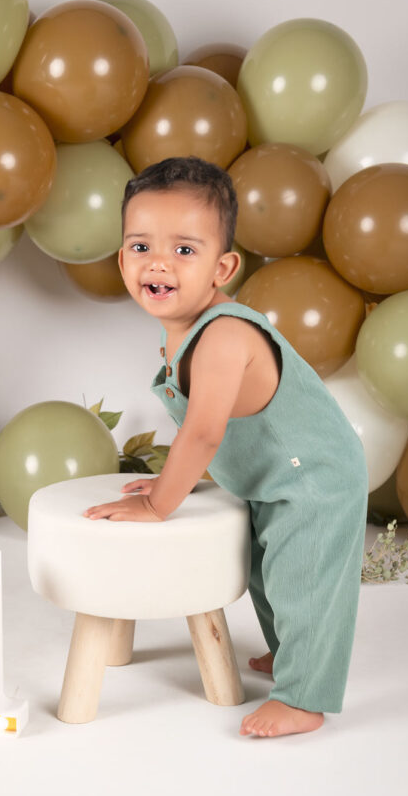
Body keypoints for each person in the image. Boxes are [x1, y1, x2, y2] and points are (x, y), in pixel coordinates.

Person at [83, 156, 368, 738]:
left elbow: (204, 432)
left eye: (184, 250)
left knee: (303, 577)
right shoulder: (181, 334)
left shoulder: (224, 335)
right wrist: (182, 478)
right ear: (122, 258)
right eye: (141, 247)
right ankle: (289, 653)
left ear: (223, 267)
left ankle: (304, 698)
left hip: (313, 476)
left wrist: (159, 501)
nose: (158, 262)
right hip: (270, 475)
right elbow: (215, 426)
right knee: (264, 572)